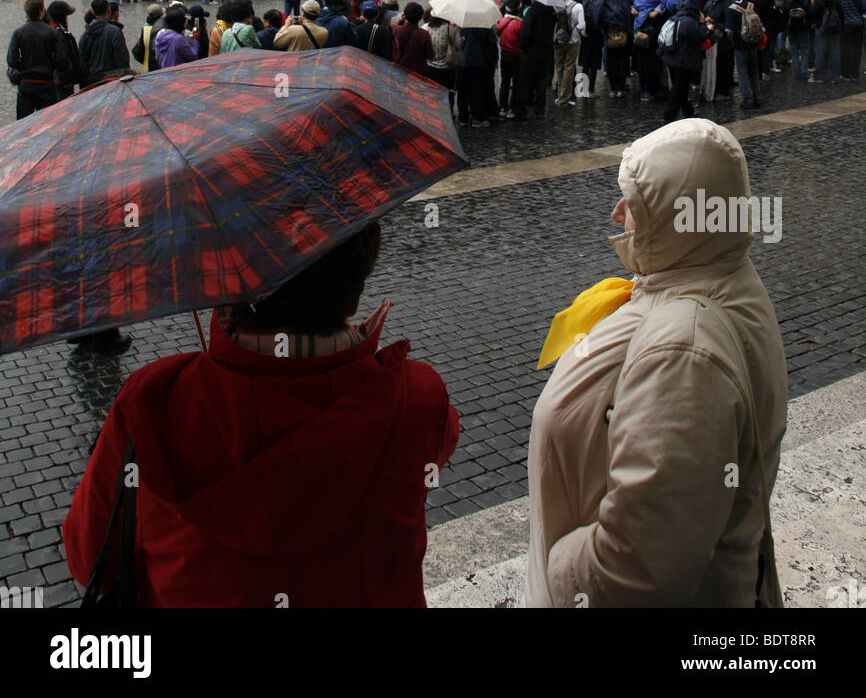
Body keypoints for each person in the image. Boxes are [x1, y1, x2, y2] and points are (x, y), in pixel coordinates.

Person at [64, 221, 458, 607]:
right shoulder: (418, 397)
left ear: (225, 287)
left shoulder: (152, 402)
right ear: (353, 295)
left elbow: (90, 561)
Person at [525, 118, 787, 608]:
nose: (615, 212)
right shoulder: (723, 275)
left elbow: (635, 571)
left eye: (635, 203)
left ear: (678, 217)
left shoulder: (685, 353)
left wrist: (555, 569)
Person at [657, 0, 710, 122]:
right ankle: (669, 115)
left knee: (680, 87)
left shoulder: (678, 15)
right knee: (680, 88)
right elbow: (700, 36)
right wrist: (703, 24)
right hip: (683, 60)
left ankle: (688, 110)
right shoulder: (689, 21)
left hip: (672, 57)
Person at [6, 0, 62, 119]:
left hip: (27, 84)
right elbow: (60, 60)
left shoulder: (18, 33)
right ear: (41, 11)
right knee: (49, 122)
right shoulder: (52, 32)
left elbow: (12, 60)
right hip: (47, 83)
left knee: (24, 125)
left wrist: (23, 65)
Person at [78, 0, 131, 88]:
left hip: (93, 81)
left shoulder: (85, 34)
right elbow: (122, 59)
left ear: (93, 12)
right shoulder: (115, 31)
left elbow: (82, 60)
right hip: (112, 79)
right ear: (108, 10)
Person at [515, 0, 556, 119]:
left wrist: (523, 46)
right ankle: (540, 109)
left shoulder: (532, 12)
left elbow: (526, 32)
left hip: (531, 50)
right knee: (541, 81)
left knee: (525, 80)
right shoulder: (551, 12)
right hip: (546, 49)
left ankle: (521, 109)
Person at [725, 0, 762, 108]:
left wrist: (732, 42)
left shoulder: (731, 9)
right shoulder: (751, 5)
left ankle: (747, 99)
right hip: (753, 43)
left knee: (743, 72)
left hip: (740, 44)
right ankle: (757, 97)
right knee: (754, 71)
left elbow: (729, 31)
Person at [553, 0, 585, 107]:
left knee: (559, 67)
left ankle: (560, 95)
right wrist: (574, 32)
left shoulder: (557, 5)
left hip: (559, 40)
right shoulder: (578, 6)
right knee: (569, 68)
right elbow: (581, 25)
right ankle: (564, 98)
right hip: (573, 41)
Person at [810, 0, 843, 83]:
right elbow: (841, 14)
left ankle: (819, 76)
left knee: (820, 52)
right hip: (834, 29)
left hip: (821, 28)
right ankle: (835, 76)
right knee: (835, 52)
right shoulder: (836, 0)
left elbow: (814, 13)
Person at [47, 1, 83, 101]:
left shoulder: (50, 30)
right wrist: (66, 80)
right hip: (62, 83)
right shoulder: (59, 34)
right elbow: (61, 59)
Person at [836, 0, 866, 78]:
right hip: (858, 24)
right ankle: (855, 72)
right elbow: (864, 7)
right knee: (857, 49)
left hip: (846, 25)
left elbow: (838, 10)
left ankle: (845, 72)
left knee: (846, 48)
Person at [496, 1, 524, 116]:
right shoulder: (519, 24)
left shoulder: (501, 22)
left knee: (505, 82)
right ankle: (513, 107)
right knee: (516, 82)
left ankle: (503, 107)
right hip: (516, 56)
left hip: (504, 55)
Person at [394, 1, 434, 79]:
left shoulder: (396, 30)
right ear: (421, 17)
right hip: (419, 72)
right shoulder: (424, 34)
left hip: (401, 70)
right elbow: (430, 55)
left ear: (404, 15)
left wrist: (401, 21)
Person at [785, 0, 812, 81]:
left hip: (792, 28)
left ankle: (796, 71)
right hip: (803, 28)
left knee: (794, 49)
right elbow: (810, 12)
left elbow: (784, 13)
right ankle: (804, 70)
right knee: (805, 50)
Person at [132, 5, 165, 73]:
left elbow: (139, 50)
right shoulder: (162, 30)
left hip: (145, 68)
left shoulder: (145, 29)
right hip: (158, 70)